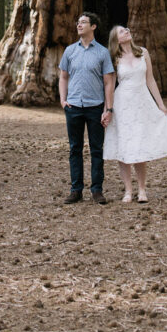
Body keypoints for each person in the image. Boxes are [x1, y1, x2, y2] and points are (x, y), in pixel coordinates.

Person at [103, 25, 167, 203]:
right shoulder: (114, 58)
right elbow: (110, 85)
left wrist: (160, 104)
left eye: (126, 29)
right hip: (122, 103)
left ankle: (142, 189)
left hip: (142, 102)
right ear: (117, 39)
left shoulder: (143, 53)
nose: (127, 31)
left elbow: (150, 80)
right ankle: (128, 191)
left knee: (139, 145)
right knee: (124, 146)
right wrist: (107, 109)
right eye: (122, 32)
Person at [59, 12, 115, 205]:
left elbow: (108, 82)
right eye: (78, 22)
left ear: (93, 27)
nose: (79, 25)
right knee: (75, 149)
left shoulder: (102, 53)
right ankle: (76, 190)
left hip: (95, 107)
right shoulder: (69, 51)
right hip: (73, 106)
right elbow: (63, 76)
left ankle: (97, 190)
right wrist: (63, 100)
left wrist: (108, 109)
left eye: (83, 22)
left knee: (96, 149)